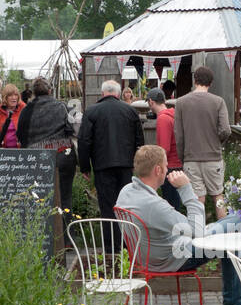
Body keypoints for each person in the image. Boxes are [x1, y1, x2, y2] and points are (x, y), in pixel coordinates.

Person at [116, 144, 241, 305]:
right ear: (158, 170)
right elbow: (198, 234)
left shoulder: (127, 191)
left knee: (230, 231)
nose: (169, 169)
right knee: (240, 221)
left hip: (151, 256)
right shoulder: (153, 206)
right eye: (167, 165)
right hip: (174, 258)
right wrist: (186, 188)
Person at [78, 80, 144, 249]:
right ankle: (127, 245)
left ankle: (110, 247)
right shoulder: (130, 111)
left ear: (102, 94)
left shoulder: (91, 111)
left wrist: (85, 167)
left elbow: (84, 141)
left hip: (102, 166)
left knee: (107, 207)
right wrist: (138, 164)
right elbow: (139, 140)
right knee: (126, 205)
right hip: (126, 166)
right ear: (119, 93)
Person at [174, 65, 232, 220]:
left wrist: (183, 157)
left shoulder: (181, 102)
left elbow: (178, 135)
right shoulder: (218, 101)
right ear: (211, 83)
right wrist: (216, 142)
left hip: (191, 158)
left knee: (198, 200)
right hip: (213, 157)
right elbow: (226, 130)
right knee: (218, 197)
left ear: (195, 80)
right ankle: (225, 237)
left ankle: (199, 237)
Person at [17, 77, 78, 213]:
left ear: (33, 92)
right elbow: (72, 129)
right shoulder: (62, 106)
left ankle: (42, 231)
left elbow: (20, 136)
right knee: (65, 198)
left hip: (36, 159)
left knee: (38, 197)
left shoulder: (26, 111)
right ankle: (66, 231)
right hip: (63, 156)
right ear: (50, 90)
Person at [147, 88, 183, 211]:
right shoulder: (173, 115)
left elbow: (164, 148)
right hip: (178, 163)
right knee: (176, 202)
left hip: (169, 166)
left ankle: (174, 230)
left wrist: (157, 165)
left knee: (171, 205)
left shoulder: (162, 118)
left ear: (151, 102)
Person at [0, 83, 22, 149]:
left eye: (16, 95)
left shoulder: (23, 108)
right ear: (5, 97)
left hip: (20, 150)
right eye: (10, 95)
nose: (14, 98)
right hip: (3, 151)